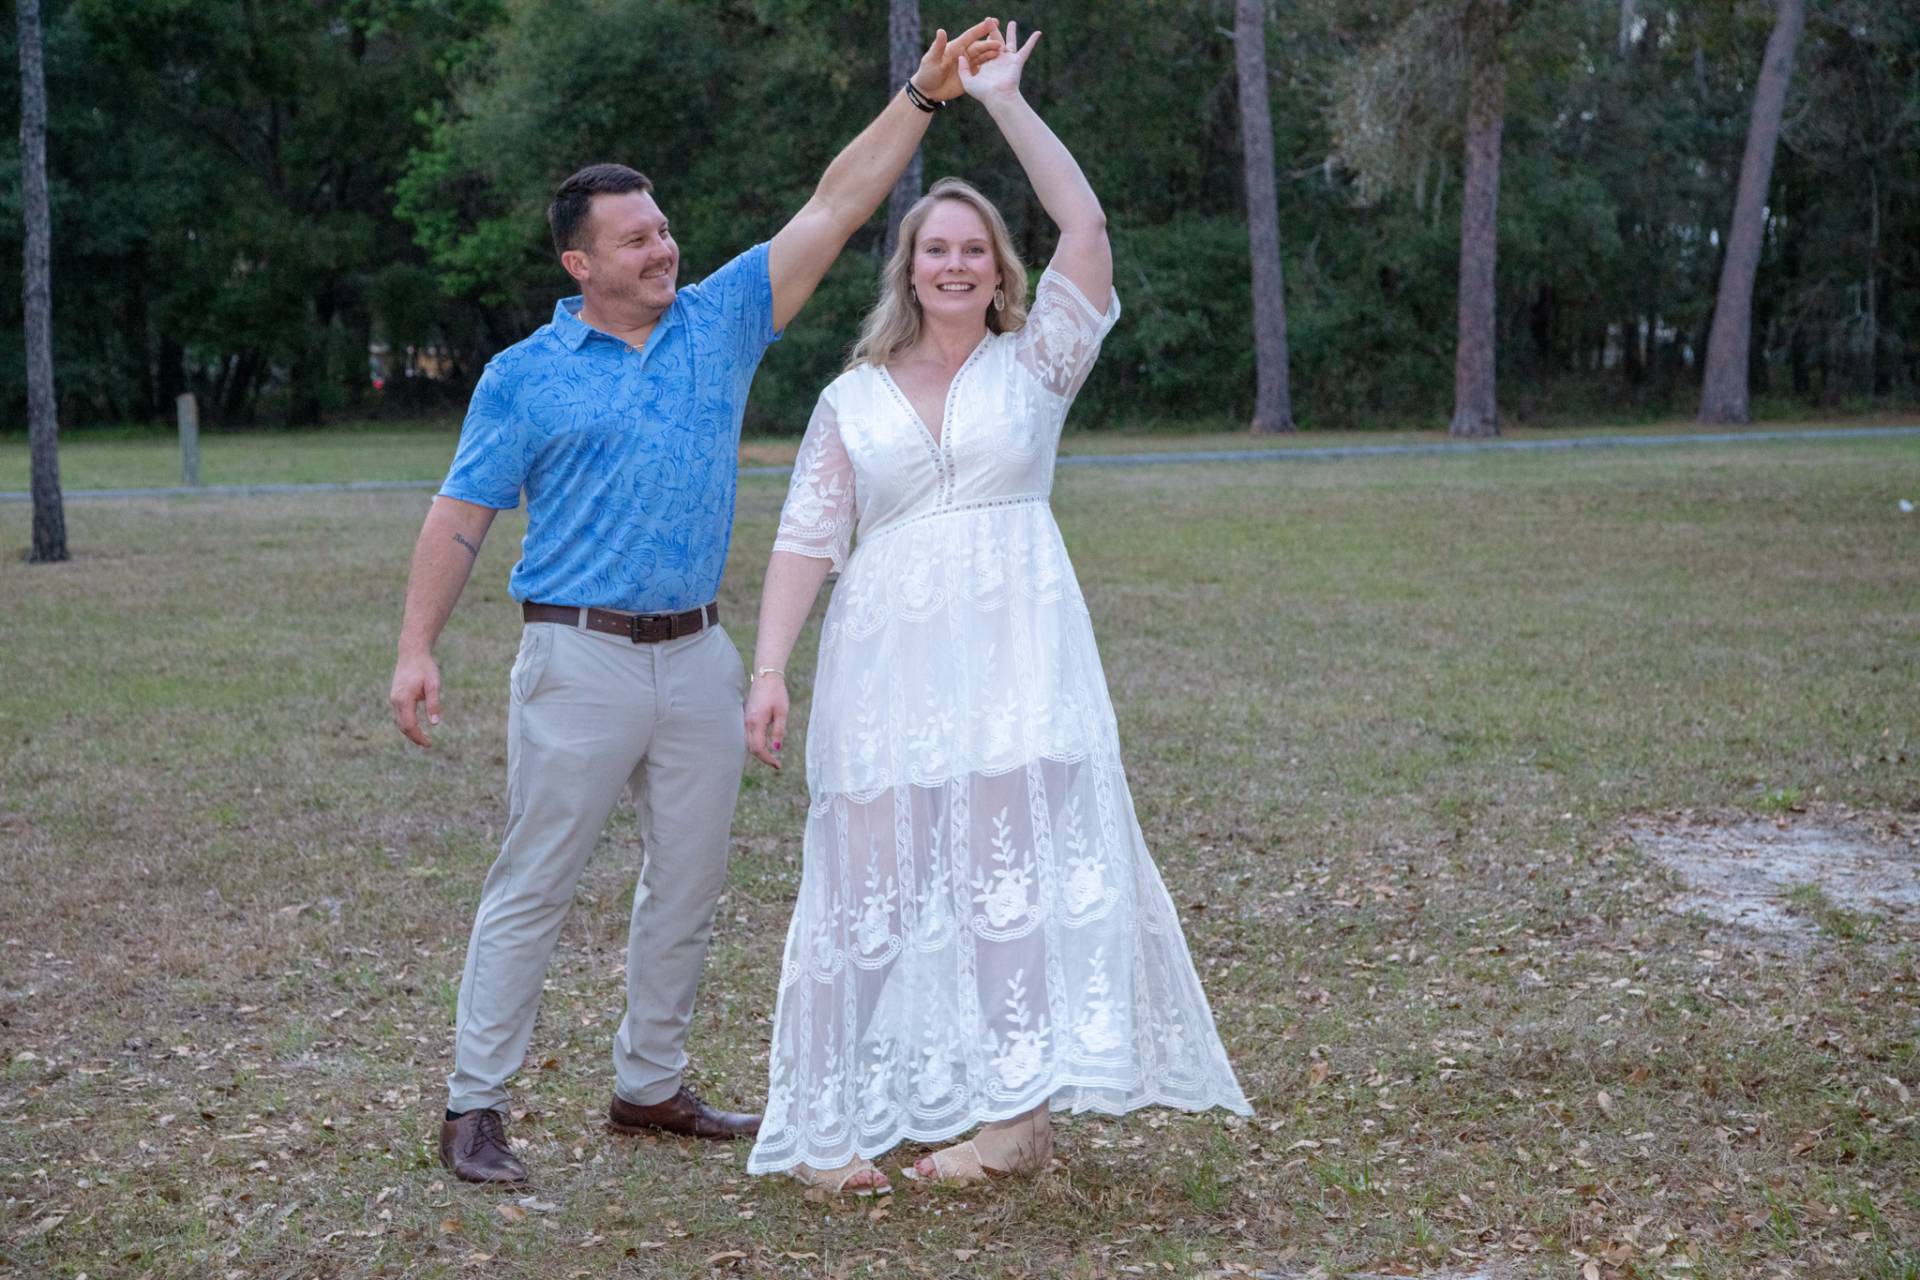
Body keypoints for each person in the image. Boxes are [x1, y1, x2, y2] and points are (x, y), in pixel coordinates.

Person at [387, 19, 1006, 1186]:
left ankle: (649, 1083)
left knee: (690, 878)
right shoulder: (524, 376)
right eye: (635, 238)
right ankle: (475, 1103)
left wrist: (921, 98)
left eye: (663, 228)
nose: (663, 247)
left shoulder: (717, 321)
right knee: (536, 881)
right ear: (581, 263)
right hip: (577, 659)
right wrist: (417, 646)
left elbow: (834, 206)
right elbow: (461, 516)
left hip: (702, 658)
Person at [741, 23, 1251, 1196]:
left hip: (1018, 656)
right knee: (867, 876)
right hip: (887, 668)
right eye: (936, 249)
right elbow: (808, 537)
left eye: (976, 250)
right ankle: (825, 1125)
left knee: (1005, 881)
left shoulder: (1038, 370)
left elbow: (1086, 227)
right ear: (907, 268)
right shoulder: (851, 396)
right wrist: (769, 669)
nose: (957, 265)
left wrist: (1006, 103)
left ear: (999, 271)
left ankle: (1013, 1126)